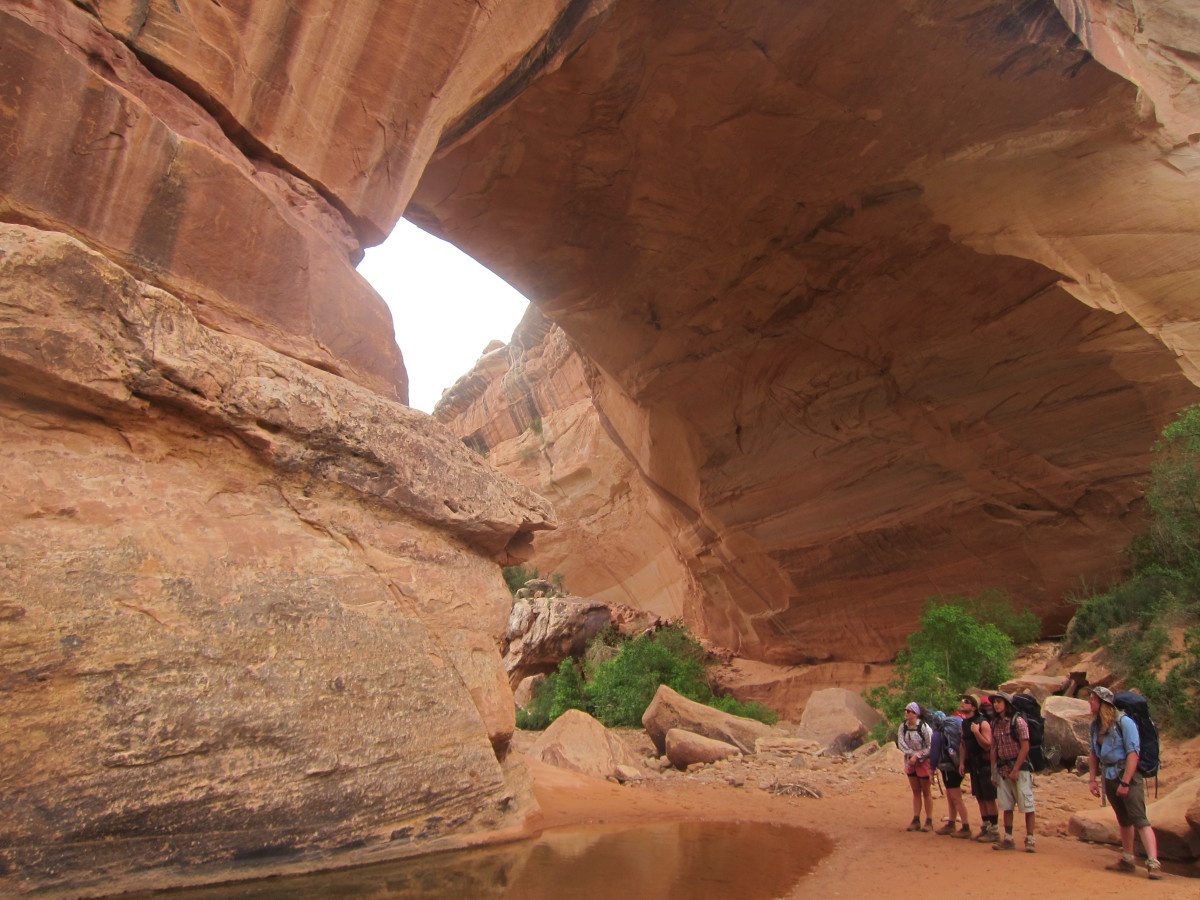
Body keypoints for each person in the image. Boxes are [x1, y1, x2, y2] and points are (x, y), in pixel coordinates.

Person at [1087, 686, 1163, 880]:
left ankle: (1153, 862)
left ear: (1103, 703)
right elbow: (1094, 753)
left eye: (1092, 699)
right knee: (1123, 819)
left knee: (1139, 818)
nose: (1089, 702)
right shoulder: (1095, 726)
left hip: (1125, 775)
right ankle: (1128, 859)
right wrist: (1092, 780)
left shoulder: (1124, 722)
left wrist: (1126, 782)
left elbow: (1133, 754)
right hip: (1110, 775)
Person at [988, 692, 1036, 852]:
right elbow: (993, 748)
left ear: (1007, 704)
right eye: (995, 702)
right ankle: (1008, 838)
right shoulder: (995, 724)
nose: (996, 705)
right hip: (1002, 770)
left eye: (999, 701)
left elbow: (1025, 747)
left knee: (1027, 805)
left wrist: (1016, 769)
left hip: (1019, 769)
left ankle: (1030, 839)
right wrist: (994, 771)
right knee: (1006, 805)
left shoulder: (1018, 722)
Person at [956, 694, 998, 841]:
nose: (962, 703)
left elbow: (988, 745)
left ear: (974, 707)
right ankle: (985, 827)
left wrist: (977, 732)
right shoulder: (964, 723)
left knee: (989, 798)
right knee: (979, 797)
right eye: (962, 701)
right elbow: (963, 744)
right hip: (974, 765)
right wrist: (961, 763)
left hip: (985, 765)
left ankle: (994, 830)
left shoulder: (983, 723)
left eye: (966, 702)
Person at [932, 708, 972, 838]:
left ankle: (965, 826)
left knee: (955, 797)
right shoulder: (952, 730)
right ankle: (951, 823)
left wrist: (931, 769)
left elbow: (934, 753)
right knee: (951, 795)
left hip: (948, 768)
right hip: (957, 765)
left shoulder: (938, 734)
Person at [897, 701, 934, 831]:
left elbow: (931, 746)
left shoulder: (924, 727)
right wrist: (912, 755)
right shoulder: (903, 727)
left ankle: (929, 820)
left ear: (916, 714)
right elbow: (901, 743)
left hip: (924, 762)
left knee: (926, 791)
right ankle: (916, 818)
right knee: (916, 791)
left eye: (909, 711)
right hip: (910, 761)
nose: (906, 713)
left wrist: (918, 756)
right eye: (906, 710)